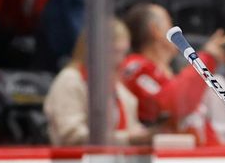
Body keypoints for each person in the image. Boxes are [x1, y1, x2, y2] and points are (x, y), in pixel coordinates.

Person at [120, 3, 225, 146]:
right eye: (169, 24)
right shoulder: (135, 68)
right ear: (155, 30)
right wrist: (206, 58)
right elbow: (172, 105)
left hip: (199, 158)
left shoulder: (167, 73)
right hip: (171, 162)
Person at [44, 18, 151, 146]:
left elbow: (132, 130)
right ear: (93, 51)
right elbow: (71, 136)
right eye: (115, 52)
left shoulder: (118, 89)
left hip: (118, 162)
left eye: (124, 53)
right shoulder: (70, 81)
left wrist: (147, 135)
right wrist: (129, 138)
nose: (121, 60)